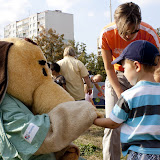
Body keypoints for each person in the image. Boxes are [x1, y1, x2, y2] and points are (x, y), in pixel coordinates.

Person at [99, 2, 160, 159]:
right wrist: (120, 93)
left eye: (134, 32)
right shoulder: (106, 34)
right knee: (113, 125)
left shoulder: (150, 34)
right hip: (119, 75)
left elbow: (157, 67)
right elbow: (109, 68)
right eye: (125, 32)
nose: (129, 36)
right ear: (117, 25)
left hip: (145, 76)